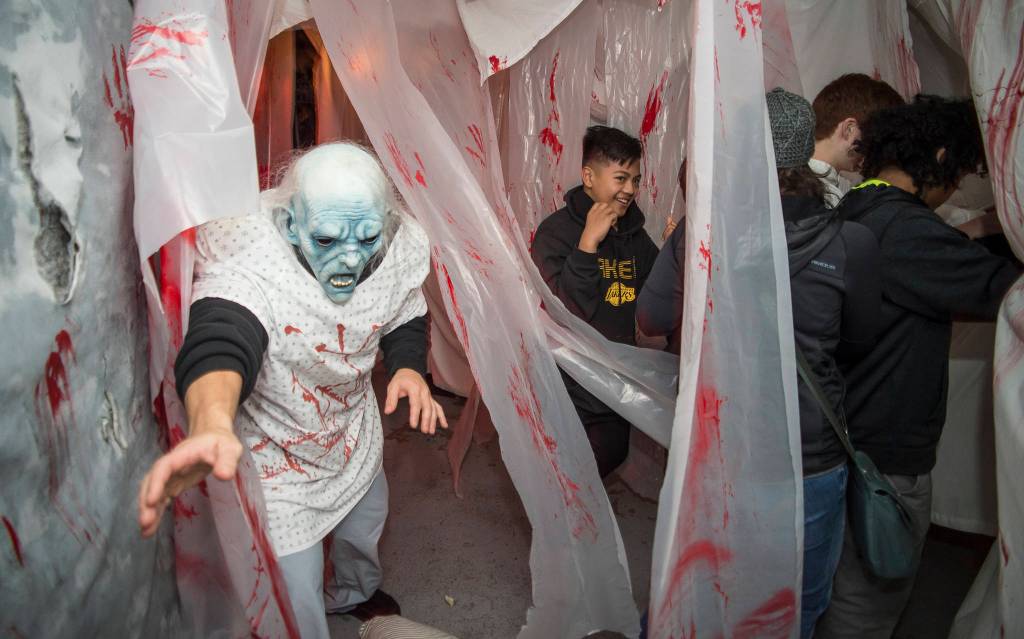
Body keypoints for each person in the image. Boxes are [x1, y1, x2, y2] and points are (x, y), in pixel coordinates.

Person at [137, 143, 448, 639]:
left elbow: (404, 308)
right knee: (295, 585)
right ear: (290, 226)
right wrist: (212, 421)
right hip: (277, 447)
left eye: (367, 237)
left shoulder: (396, 246)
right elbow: (223, 335)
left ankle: (354, 594)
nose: (351, 258)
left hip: (350, 429)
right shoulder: (253, 254)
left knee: (365, 526)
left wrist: (409, 368)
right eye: (326, 239)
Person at [817, 96, 1022, 639]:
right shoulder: (907, 231)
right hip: (886, 455)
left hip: (845, 433)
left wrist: (971, 231)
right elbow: (1005, 291)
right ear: (940, 157)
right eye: (957, 177)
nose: (951, 192)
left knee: (837, 588)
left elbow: (921, 263)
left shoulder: (855, 207)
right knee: (866, 606)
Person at [531, 125, 660, 477]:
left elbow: (657, 297)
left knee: (611, 453)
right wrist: (587, 245)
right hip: (568, 379)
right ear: (589, 176)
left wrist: (675, 256)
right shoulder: (554, 234)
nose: (630, 189)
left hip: (615, 377)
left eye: (635, 180)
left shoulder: (634, 235)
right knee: (563, 468)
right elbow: (567, 310)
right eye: (621, 178)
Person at [810, 74, 904, 207]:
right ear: (849, 129)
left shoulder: (842, 187)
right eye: (874, 140)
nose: (876, 154)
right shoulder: (809, 193)